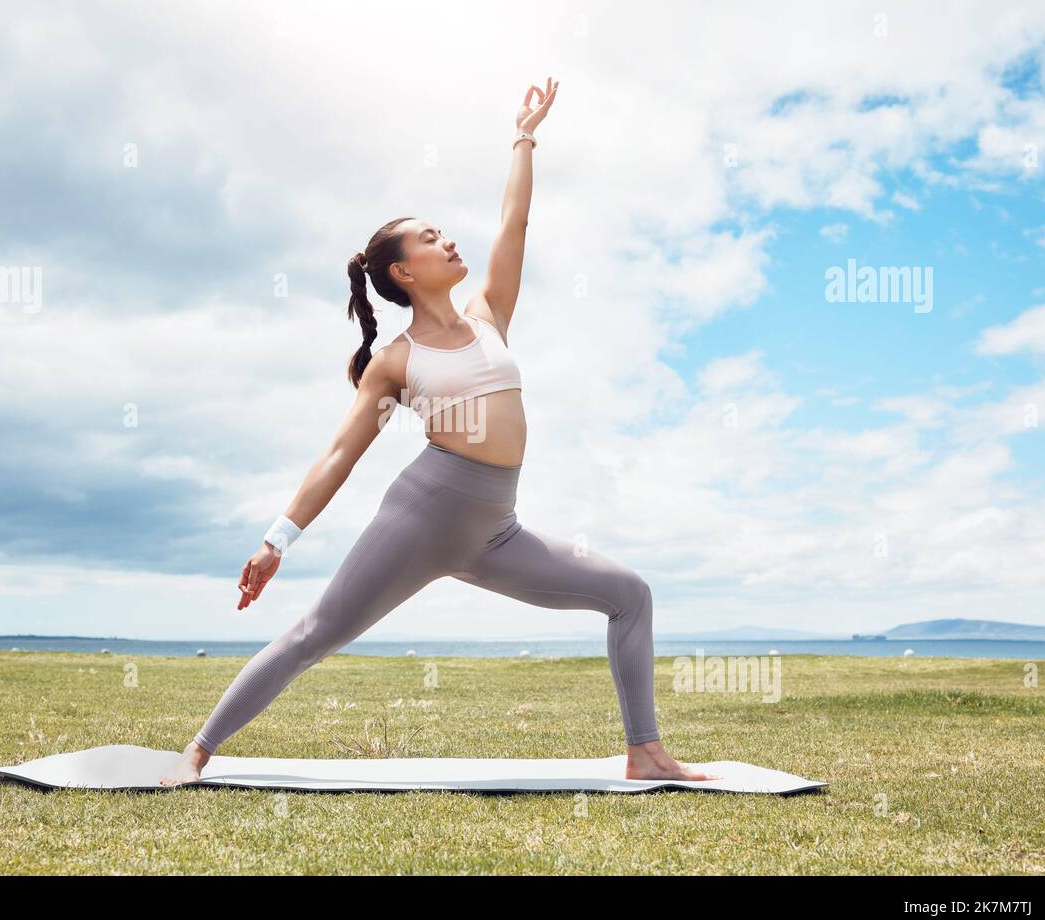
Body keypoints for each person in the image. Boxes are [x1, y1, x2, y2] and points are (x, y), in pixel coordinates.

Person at [162, 77, 718, 786]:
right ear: (403, 271)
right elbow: (339, 454)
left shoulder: (489, 315)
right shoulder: (395, 361)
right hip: (422, 516)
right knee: (314, 635)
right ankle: (198, 751)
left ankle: (645, 751)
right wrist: (277, 540)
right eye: (430, 238)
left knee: (629, 593)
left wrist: (524, 136)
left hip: (497, 530)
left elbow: (515, 222)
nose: (446, 239)